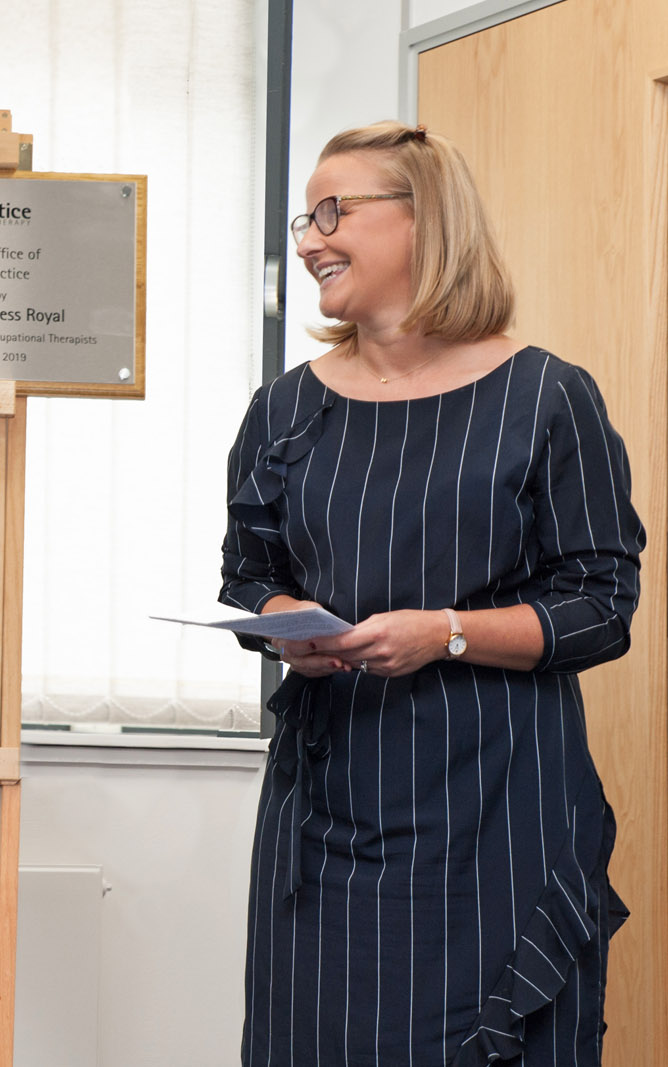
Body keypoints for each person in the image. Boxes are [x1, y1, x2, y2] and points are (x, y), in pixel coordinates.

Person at [220, 121, 643, 1066]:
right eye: (303, 215)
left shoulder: (545, 397)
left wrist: (444, 632)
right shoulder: (285, 407)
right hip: (325, 807)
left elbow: (600, 602)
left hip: (498, 809)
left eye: (335, 212)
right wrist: (282, 621)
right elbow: (247, 572)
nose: (307, 238)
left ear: (427, 223)